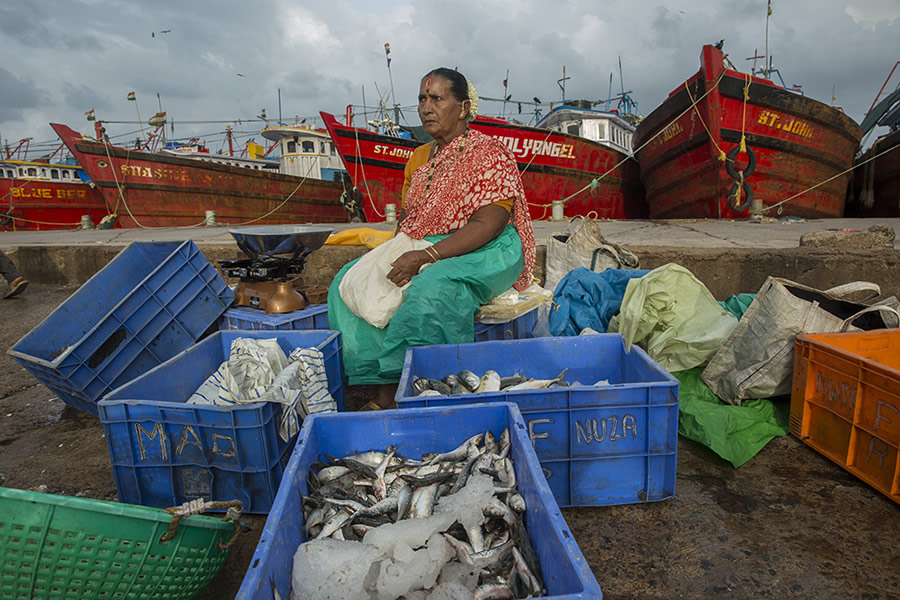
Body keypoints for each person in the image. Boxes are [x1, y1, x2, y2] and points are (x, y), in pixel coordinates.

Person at [328, 67, 536, 409]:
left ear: (463, 108)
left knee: (433, 287)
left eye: (437, 98)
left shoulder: (488, 152)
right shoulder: (420, 158)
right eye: (422, 99)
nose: (426, 107)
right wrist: (395, 255)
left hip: (487, 247)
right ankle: (378, 388)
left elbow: (490, 222)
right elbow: (411, 219)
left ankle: (420, 386)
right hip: (426, 243)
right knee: (349, 280)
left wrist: (426, 258)